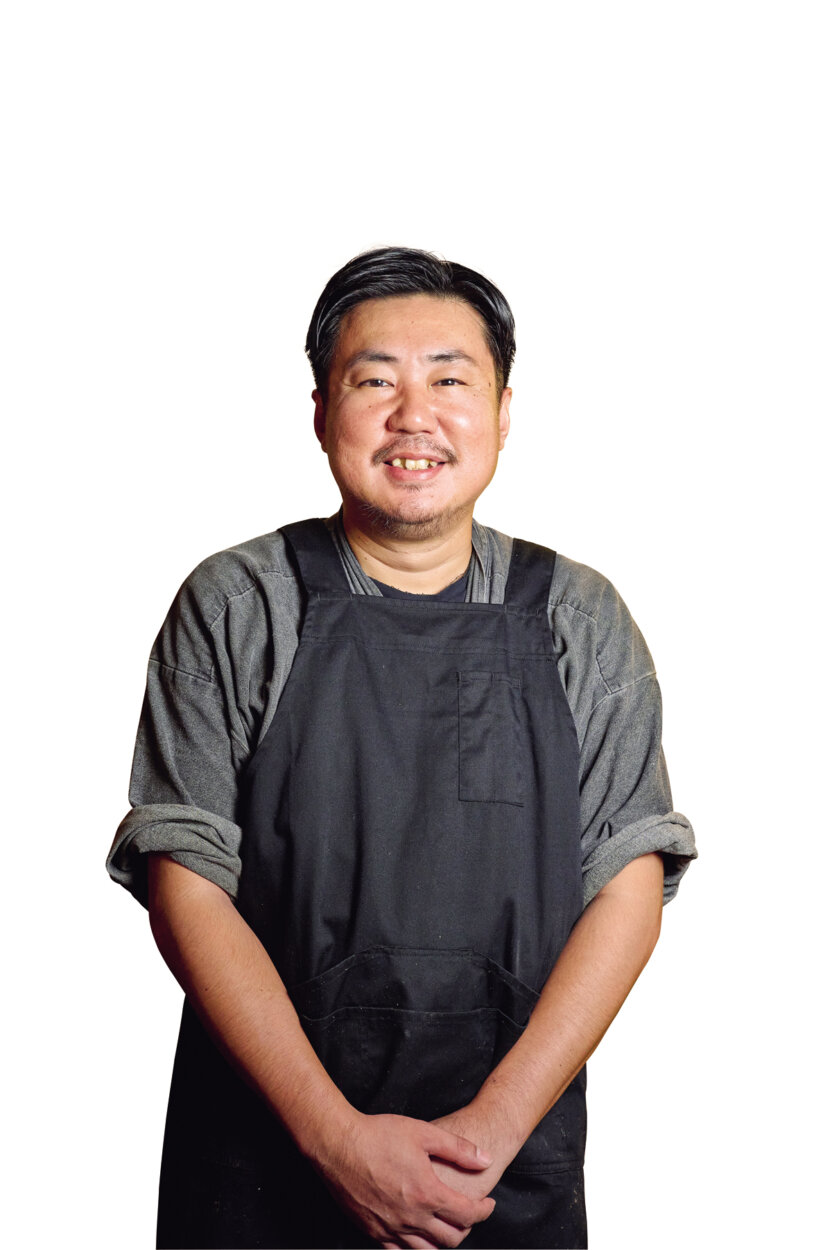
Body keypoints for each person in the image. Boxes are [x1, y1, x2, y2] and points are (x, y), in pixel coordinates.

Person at [107, 246, 696, 1250]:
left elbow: (629, 879)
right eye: (374, 380)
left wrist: (492, 1131)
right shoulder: (239, 603)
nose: (413, 415)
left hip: (501, 1173)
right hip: (263, 1162)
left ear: (502, 413)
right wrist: (334, 1139)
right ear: (320, 411)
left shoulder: (579, 619)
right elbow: (185, 882)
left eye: (450, 381)